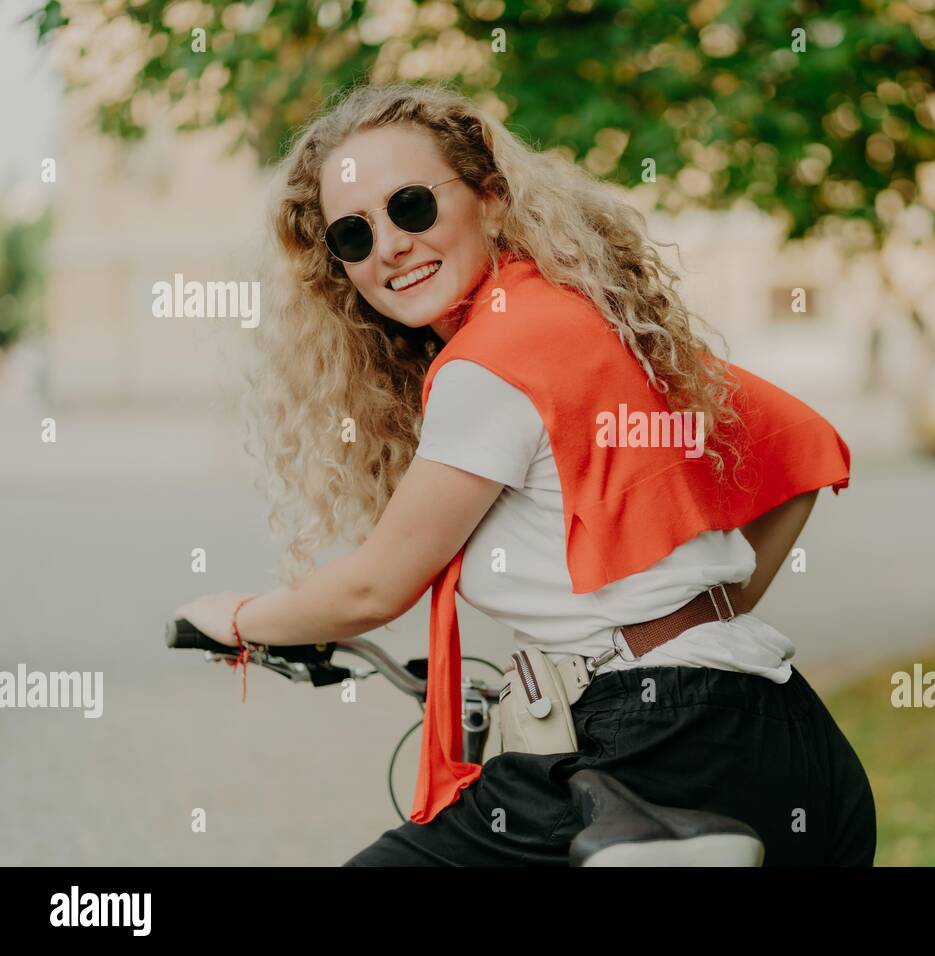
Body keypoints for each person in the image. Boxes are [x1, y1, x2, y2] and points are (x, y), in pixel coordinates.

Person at [174, 82, 876, 866]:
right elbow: (804, 448)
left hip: (657, 760)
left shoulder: (492, 364)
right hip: (785, 740)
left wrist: (238, 617)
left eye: (411, 206)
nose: (390, 246)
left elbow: (375, 587)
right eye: (353, 233)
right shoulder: (588, 325)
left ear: (493, 199)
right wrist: (697, 625)